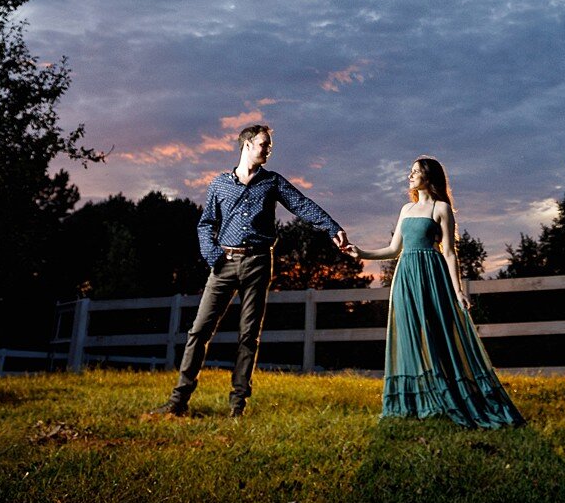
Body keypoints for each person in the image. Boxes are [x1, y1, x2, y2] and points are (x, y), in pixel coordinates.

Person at [147, 123, 348, 418]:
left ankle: (237, 406)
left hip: (257, 263)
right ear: (247, 144)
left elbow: (301, 205)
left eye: (270, 145)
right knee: (199, 330)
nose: (269, 149)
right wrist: (212, 255)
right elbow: (206, 224)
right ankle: (178, 401)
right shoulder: (218, 184)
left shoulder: (273, 182)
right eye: (264, 144)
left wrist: (333, 227)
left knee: (248, 334)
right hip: (223, 263)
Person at [346, 157, 525, 429]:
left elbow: (450, 253)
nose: (410, 176)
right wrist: (361, 252)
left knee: (437, 333)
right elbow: (394, 249)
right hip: (405, 275)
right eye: (411, 171)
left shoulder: (442, 208)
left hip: (432, 274)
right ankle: (417, 399)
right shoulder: (406, 209)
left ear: (428, 177)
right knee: (408, 334)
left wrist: (458, 291)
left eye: (416, 172)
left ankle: (449, 393)